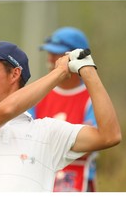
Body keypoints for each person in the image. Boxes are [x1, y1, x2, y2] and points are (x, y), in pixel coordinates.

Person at [0, 41, 121, 192]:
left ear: (14, 74)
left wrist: (88, 70)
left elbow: (109, 136)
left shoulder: (47, 131)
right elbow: (7, 110)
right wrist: (60, 72)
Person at [27, 27, 98, 192]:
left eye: (57, 54)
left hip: (79, 182)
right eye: (49, 53)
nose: (51, 59)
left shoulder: (92, 96)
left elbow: (92, 144)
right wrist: (72, 139)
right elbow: (28, 139)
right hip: (39, 180)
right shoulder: (38, 92)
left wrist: (46, 141)